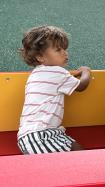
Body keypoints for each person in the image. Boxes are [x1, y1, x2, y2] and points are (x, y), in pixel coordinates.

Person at [17, 25, 92, 154]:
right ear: (40, 57)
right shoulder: (58, 72)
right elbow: (81, 86)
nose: (64, 52)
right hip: (40, 135)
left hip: (37, 134)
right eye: (58, 50)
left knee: (77, 150)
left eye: (64, 49)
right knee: (78, 156)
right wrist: (86, 72)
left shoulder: (36, 73)